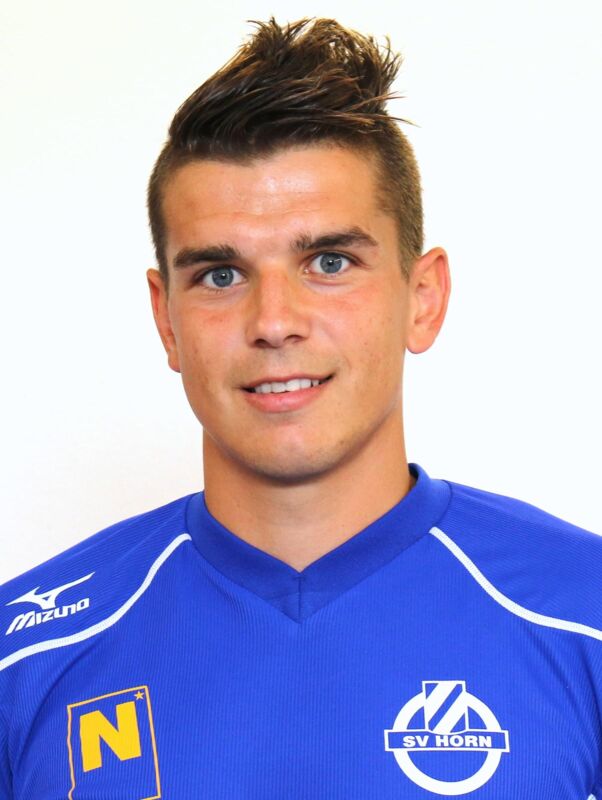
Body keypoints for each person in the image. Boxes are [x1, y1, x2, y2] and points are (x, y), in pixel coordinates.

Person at [0, 16, 600, 799]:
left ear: (423, 299)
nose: (274, 321)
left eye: (329, 262)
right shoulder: (24, 661)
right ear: (166, 319)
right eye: (220, 275)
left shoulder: (583, 616)